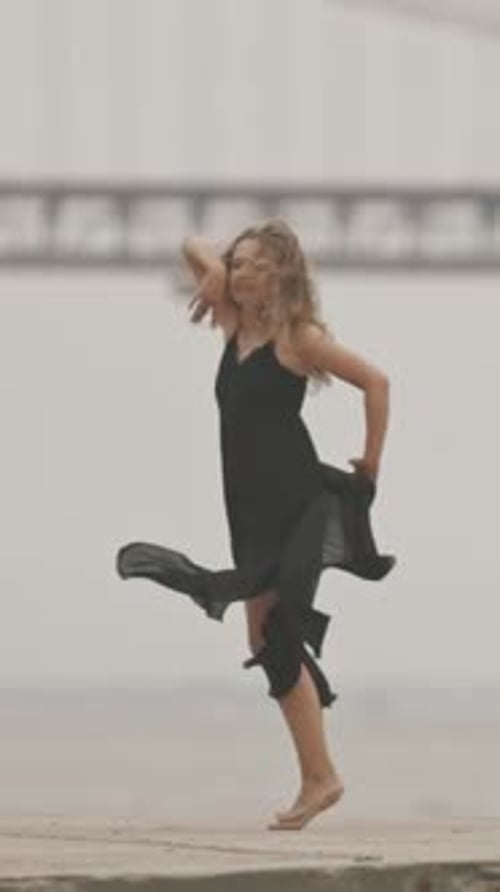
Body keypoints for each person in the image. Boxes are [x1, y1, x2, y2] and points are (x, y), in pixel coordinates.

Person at [116, 219, 395, 831]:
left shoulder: (299, 338)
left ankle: (321, 778)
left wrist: (370, 462)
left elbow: (376, 382)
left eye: (249, 264)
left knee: (276, 634)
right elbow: (188, 241)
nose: (236, 272)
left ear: (281, 273)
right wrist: (213, 268)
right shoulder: (234, 324)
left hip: (294, 502)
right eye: (233, 263)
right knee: (264, 639)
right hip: (246, 506)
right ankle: (320, 775)